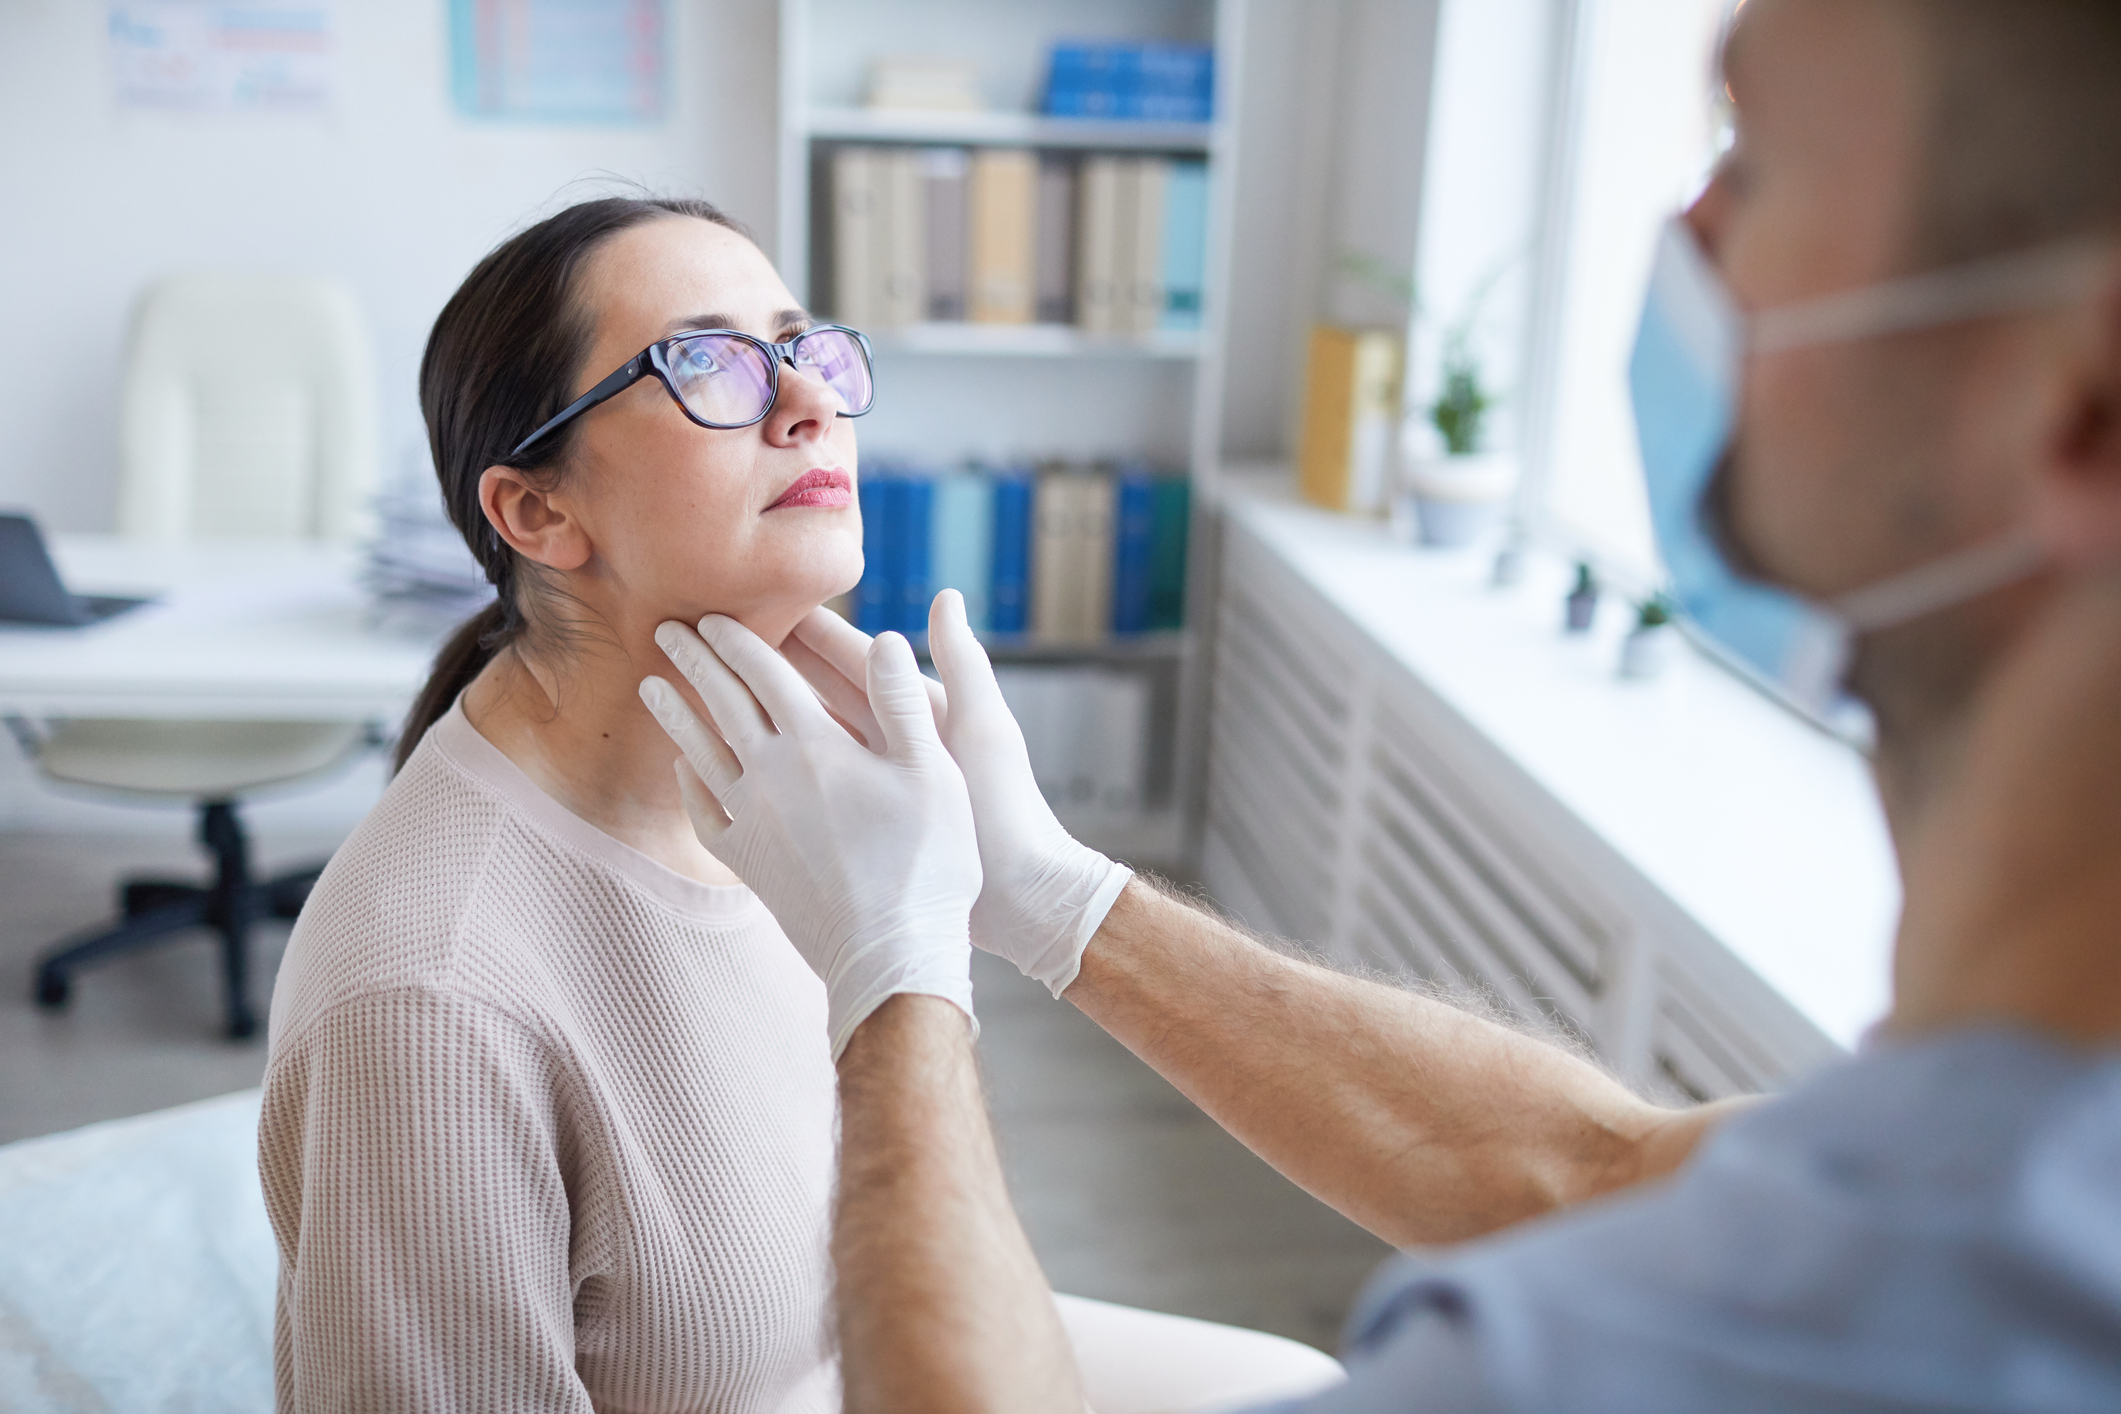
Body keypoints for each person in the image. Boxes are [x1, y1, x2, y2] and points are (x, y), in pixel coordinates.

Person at [638, 1, 2121, 1409]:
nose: (1686, 238)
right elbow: (1590, 1169)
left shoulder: (1644, 1357)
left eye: (1756, 163)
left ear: (2082, 397)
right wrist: (1058, 900)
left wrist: (893, 970)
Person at [257, 195, 1337, 1413]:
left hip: (858, 1368)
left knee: (1309, 1386)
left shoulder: (800, 803)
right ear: (537, 512)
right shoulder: (429, 1003)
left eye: (803, 345)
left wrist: (1039, 886)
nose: (807, 401)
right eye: (707, 362)